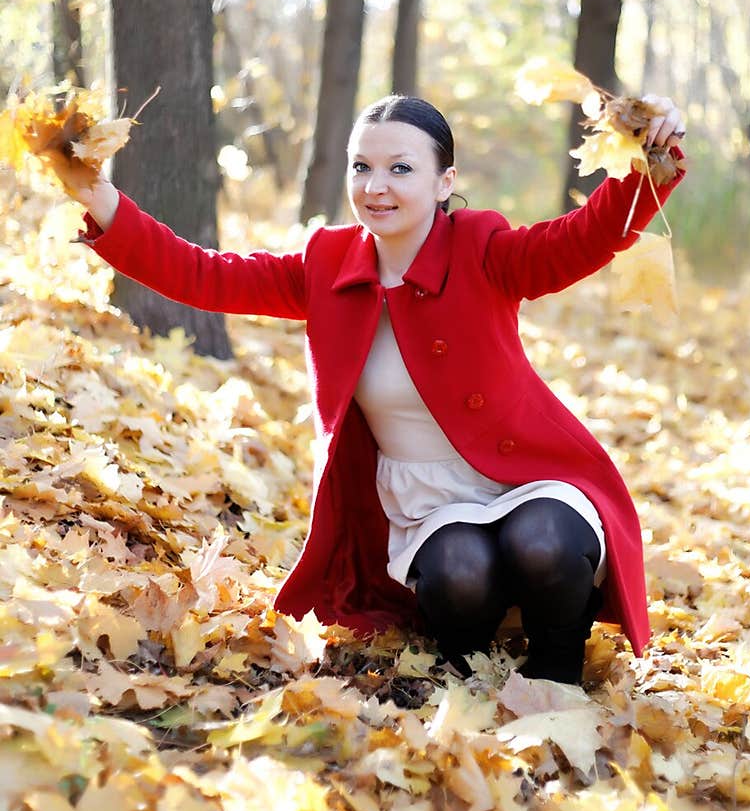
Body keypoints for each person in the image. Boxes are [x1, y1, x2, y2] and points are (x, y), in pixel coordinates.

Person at [54, 93, 687, 685]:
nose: (375, 186)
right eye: (362, 166)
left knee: (544, 542)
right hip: (429, 500)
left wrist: (648, 161)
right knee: (459, 578)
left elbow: (583, 236)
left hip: (525, 476)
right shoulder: (326, 265)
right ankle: (472, 681)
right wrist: (100, 196)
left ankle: (558, 679)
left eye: (401, 168)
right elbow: (204, 275)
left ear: (445, 183)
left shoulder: (484, 247)